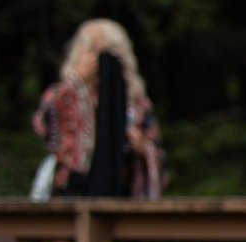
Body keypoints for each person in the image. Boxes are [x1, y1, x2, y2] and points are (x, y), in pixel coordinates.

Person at [34, 19, 163, 199]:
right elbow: (44, 126)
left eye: (107, 54)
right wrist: (76, 82)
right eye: (91, 51)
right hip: (69, 196)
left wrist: (142, 148)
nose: (99, 63)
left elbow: (159, 156)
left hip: (122, 196)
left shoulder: (136, 105)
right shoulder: (62, 95)